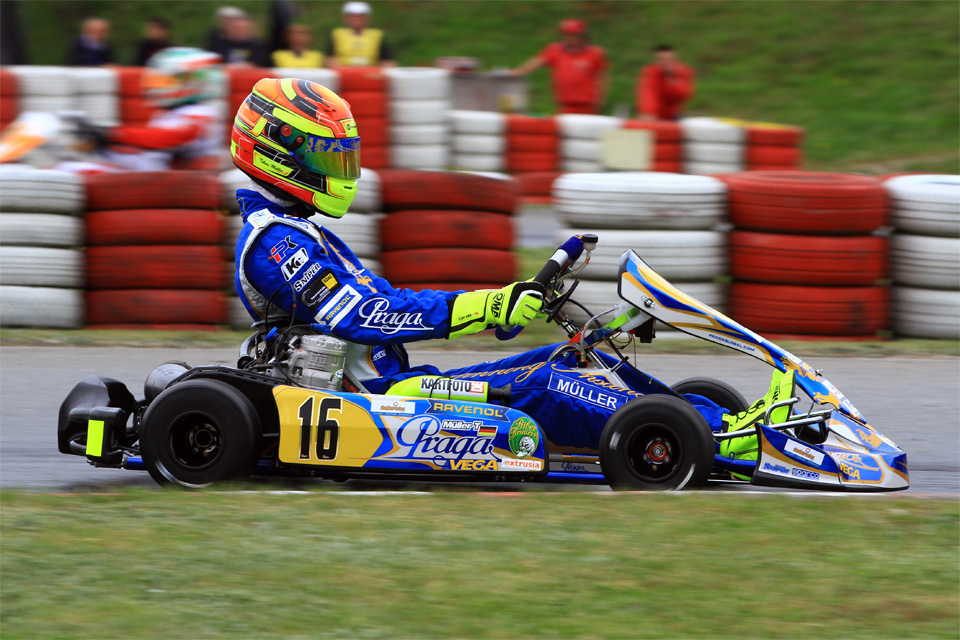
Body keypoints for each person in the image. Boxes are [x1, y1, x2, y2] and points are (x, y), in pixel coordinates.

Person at [229, 78, 734, 450]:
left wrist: (501, 309)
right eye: (326, 155)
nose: (341, 170)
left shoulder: (303, 232)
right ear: (280, 151)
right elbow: (363, 315)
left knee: (559, 362)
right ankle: (707, 435)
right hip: (373, 401)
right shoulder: (275, 244)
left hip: (395, 388)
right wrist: (486, 306)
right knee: (545, 388)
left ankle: (714, 420)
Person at [79, 48, 224, 172]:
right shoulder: (166, 115)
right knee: (76, 166)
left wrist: (114, 134)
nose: (157, 87)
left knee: (81, 170)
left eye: (165, 81)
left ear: (191, 82)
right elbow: (148, 153)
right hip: (164, 174)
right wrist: (102, 146)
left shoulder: (202, 114)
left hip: (187, 182)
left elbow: (164, 139)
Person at [510, 19, 608, 115]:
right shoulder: (555, 50)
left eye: (574, 35)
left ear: (582, 35)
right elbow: (537, 62)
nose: (570, 38)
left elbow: (602, 77)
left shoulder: (595, 53)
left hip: (587, 105)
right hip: (565, 104)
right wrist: (519, 71)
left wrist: (600, 98)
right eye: (567, 35)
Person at [326, 1, 396, 68]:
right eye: (353, 16)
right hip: (343, 73)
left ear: (368, 18)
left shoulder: (377, 36)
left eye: (361, 16)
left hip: (370, 73)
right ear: (346, 18)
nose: (357, 19)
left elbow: (388, 61)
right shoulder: (337, 35)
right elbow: (329, 59)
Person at [636, 44, 695, 121]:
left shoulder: (683, 72)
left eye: (668, 59)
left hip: (674, 114)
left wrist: (672, 81)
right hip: (654, 114)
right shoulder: (651, 72)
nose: (665, 62)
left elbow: (684, 95)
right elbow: (648, 92)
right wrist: (649, 111)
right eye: (662, 59)